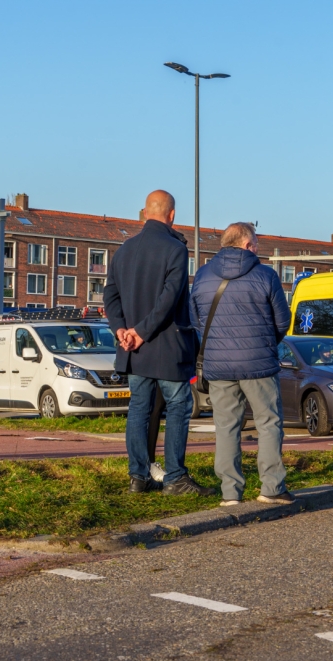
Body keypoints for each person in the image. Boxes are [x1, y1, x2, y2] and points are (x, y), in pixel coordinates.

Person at [103, 190, 213, 496]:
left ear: (143, 213)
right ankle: (175, 477)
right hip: (165, 347)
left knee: (139, 408)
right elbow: (169, 298)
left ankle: (139, 477)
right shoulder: (175, 249)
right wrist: (142, 331)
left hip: (134, 350)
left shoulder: (123, 249)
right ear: (172, 215)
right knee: (178, 405)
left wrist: (122, 329)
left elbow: (110, 295)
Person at [189, 222, 294, 506]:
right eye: (256, 243)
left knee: (226, 426)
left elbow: (196, 320)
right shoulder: (266, 275)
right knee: (268, 422)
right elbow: (283, 321)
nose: (257, 248)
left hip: (218, 365)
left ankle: (230, 493)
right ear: (247, 245)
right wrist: (264, 342)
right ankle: (271, 488)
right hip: (258, 364)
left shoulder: (202, 276)